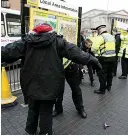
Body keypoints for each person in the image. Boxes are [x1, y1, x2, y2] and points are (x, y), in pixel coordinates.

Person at [1, 23, 102, 135]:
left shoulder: (26, 42)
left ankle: (30, 131)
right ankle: (45, 133)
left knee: (32, 109)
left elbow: (6, 52)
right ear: (50, 31)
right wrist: (94, 61)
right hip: (50, 86)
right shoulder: (58, 42)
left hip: (31, 84)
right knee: (46, 112)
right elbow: (77, 53)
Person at [91, 25, 116, 94]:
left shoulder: (101, 37)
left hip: (104, 58)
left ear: (99, 30)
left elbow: (94, 48)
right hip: (113, 57)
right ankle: (109, 86)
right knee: (109, 73)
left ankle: (102, 90)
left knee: (101, 74)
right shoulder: (112, 36)